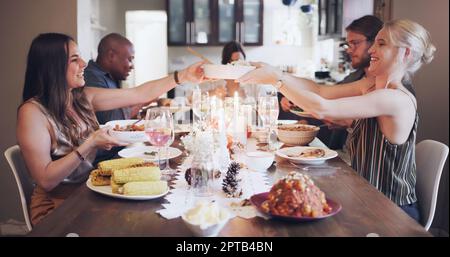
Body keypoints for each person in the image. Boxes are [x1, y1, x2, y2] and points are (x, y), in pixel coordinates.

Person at [238, 19, 435, 221]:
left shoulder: (396, 99)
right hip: (367, 197)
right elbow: (320, 91)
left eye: (382, 43)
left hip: (392, 211)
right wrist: (275, 71)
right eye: (374, 42)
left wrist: (276, 81)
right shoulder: (371, 86)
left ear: (406, 52)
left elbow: (322, 107)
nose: (372, 50)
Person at [16, 33, 204, 225]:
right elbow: (46, 179)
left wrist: (183, 76)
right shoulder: (32, 113)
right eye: (75, 59)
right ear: (52, 67)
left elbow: (138, 93)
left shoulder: (82, 98)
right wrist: (90, 144)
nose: (84, 63)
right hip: (58, 206)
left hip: (89, 190)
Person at [278, 15, 383, 151]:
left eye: (355, 43)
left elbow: (380, 131)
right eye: (348, 44)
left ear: (374, 43)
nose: (349, 50)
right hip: (348, 153)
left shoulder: (387, 86)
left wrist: (350, 123)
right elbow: (323, 94)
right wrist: (293, 98)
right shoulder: (357, 77)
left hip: (364, 160)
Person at [84, 33, 144, 125]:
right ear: (111, 56)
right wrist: (144, 100)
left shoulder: (111, 76)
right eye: (129, 59)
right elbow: (113, 121)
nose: (132, 66)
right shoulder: (92, 78)